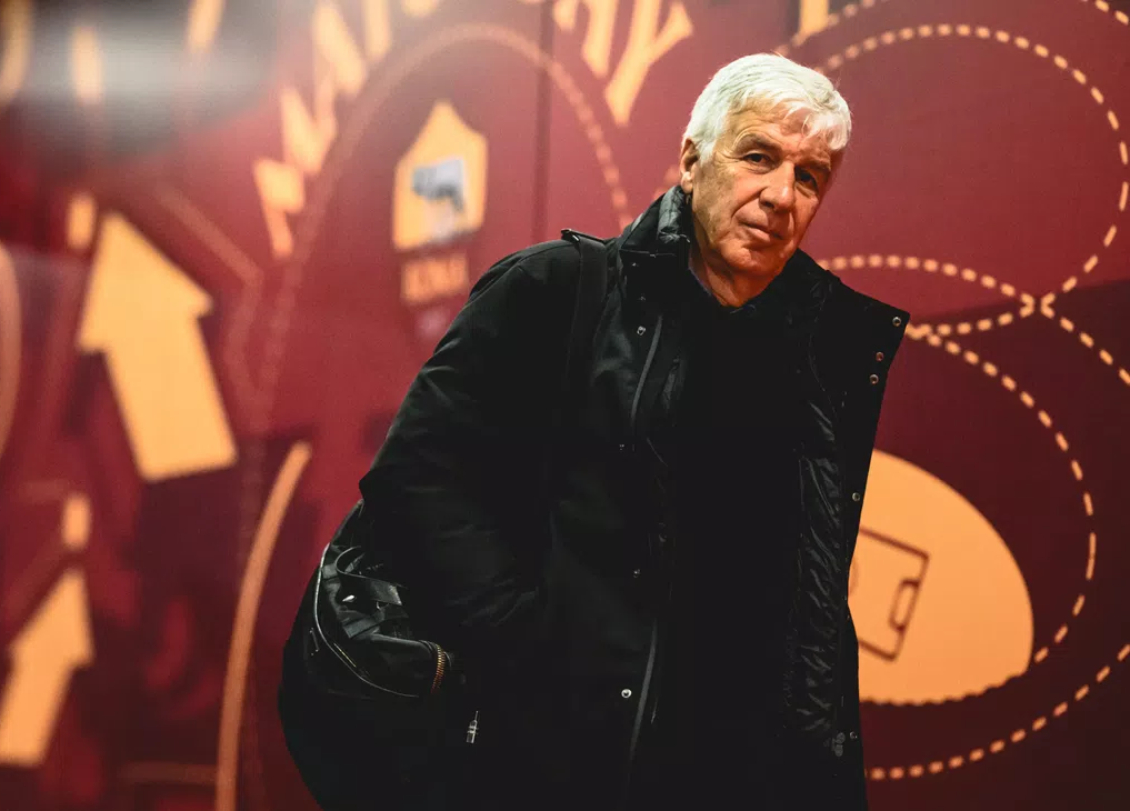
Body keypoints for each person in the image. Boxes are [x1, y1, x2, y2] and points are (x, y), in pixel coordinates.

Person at [288, 52, 908, 810]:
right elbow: (414, 479)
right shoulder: (554, 289)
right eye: (758, 157)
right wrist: (529, 646)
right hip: (550, 765)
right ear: (692, 162)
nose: (781, 194)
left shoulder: (820, 359)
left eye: (809, 177)